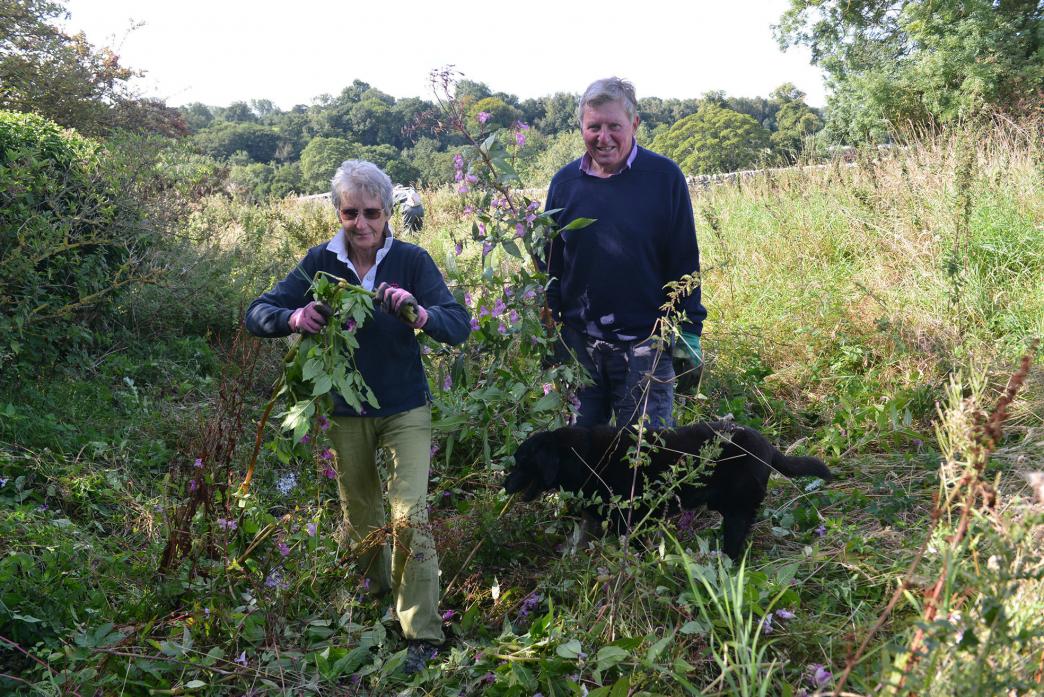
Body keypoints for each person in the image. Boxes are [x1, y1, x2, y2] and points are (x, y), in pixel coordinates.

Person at [245, 160, 470, 674]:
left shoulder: (411, 261)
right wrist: (293, 317)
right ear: (338, 212)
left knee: (409, 515)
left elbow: (458, 326)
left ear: (389, 212)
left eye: (372, 212)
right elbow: (258, 311)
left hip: (404, 407)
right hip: (345, 411)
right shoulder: (319, 261)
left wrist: (420, 312)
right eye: (351, 212)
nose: (362, 223)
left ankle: (422, 634)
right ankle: (376, 602)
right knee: (362, 517)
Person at [543, 77, 706, 429]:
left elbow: (684, 260)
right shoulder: (564, 184)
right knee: (582, 459)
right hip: (579, 347)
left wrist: (690, 330)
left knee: (645, 457)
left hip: (647, 346)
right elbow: (551, 266)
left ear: (634, 123)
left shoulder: (664, 178)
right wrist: (549, 331)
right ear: (581, 127)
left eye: (614, 126)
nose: (603, 138)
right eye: (593, 127)